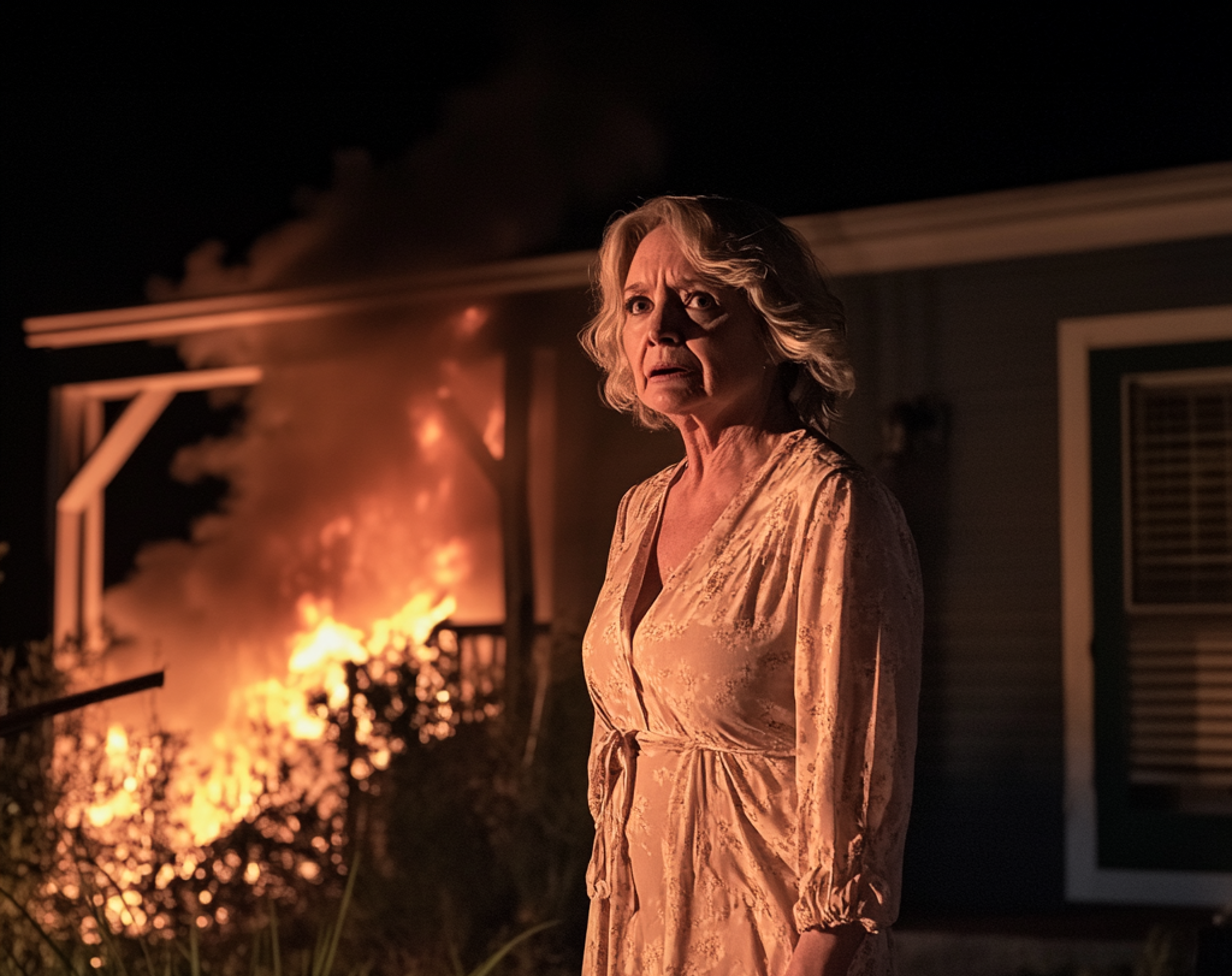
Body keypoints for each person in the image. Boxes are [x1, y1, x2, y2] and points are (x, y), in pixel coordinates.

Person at [578, 196, 923, 976]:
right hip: (635, 936)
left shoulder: (829, 507)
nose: (661, 329)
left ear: (773, 325)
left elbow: (863, 788)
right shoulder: (639, 509)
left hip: (766, 942)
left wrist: (820, 955)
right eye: (638, 305)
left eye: (698, 301)